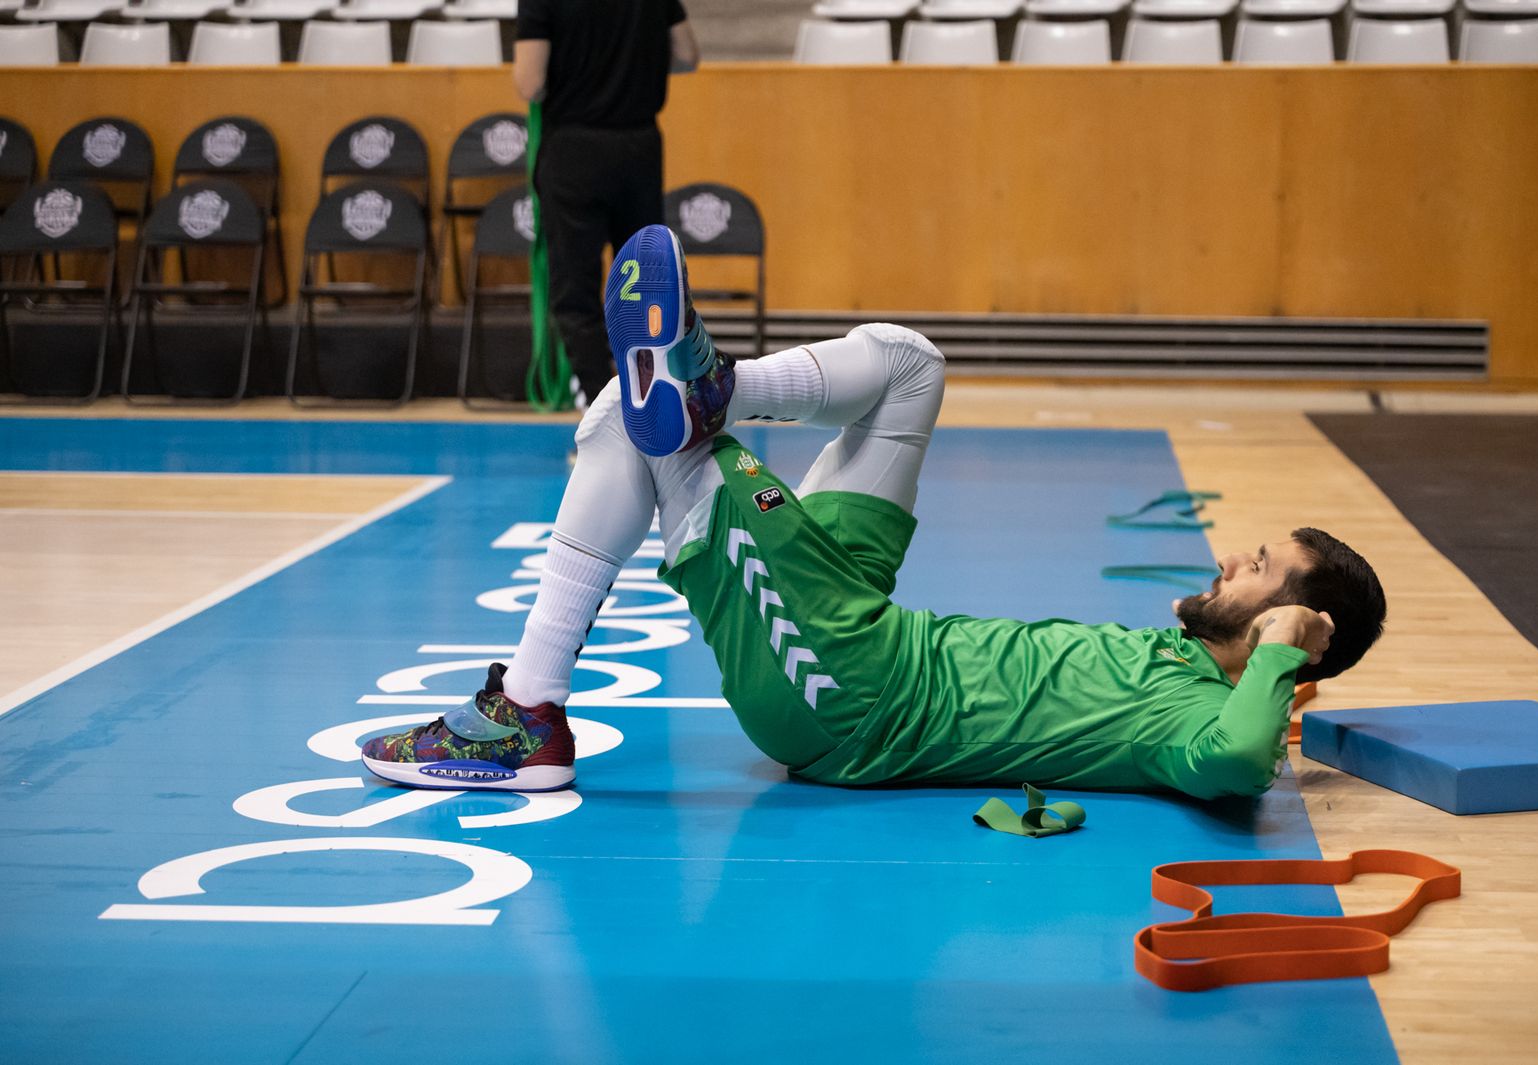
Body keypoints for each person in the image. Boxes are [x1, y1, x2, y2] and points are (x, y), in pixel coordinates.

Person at [362, 225, 1388, 801]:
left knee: (638, 428)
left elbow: (1237, 767)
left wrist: (1279, 664)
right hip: (869, 620)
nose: (1229, 562)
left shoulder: (1199, 716)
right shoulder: (1179, 670)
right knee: (909, 365)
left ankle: (526, 714)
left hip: (844, 694)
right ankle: (718, 387)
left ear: (1284, 628)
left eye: (1257, 567)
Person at [512, 0, 699, 405]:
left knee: (576, 292)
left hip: (574, 149)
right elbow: (686, 56)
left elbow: (530, 83)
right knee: (647, 286)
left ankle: (603, 413)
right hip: (639, 148)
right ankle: (658, 410)